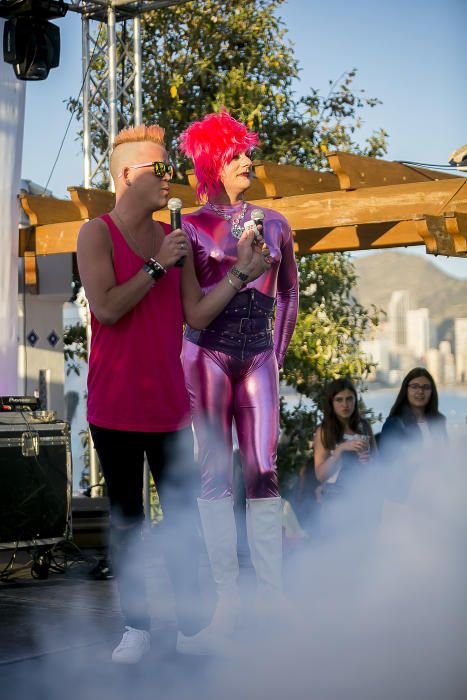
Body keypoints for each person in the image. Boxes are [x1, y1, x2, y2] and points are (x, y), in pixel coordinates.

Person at [77, 123, 270, 664]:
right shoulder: (96, 233)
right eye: (159, 168)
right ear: (126, 176)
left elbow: (194, 315)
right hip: (114, 406)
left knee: (183, 517)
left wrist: (240, 276)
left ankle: (192, 626)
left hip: (168, 407)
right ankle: (136, 627)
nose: (170, 177)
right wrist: (159, 262)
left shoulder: (174, 234)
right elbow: (109, 308)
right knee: (128, 521)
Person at [176, 110, 299, 654]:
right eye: (234, 154)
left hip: (257, 356)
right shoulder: (192, 225)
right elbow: (190, 309)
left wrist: (273, 356)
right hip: (206, 355)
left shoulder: (276, 222)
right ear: (212, 164)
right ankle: (228, 600)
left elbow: (290, 294)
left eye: (247, 151)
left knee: (264, 468)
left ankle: (271, 597)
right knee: (213, 472)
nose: (248, 159)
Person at [313, 377, 377, 538]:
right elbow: (320, 475)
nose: (345, 404)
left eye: (349, 398)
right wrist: (341, 450)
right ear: (331, 403)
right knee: (338, 550)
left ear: (355, 400)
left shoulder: (364, 426)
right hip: (335, 499)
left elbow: (378, 464)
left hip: (363, 495)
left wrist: (369, 462)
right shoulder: (324, 431)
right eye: (339, 400)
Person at [378, 368, 447, 499]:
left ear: (432, 392)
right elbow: (384, 467)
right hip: (405, 498)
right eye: (414, 386)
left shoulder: (439, 421)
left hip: (436, 496)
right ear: (406, 390)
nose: (420, 391)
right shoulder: (395, 424)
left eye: (426, 387)